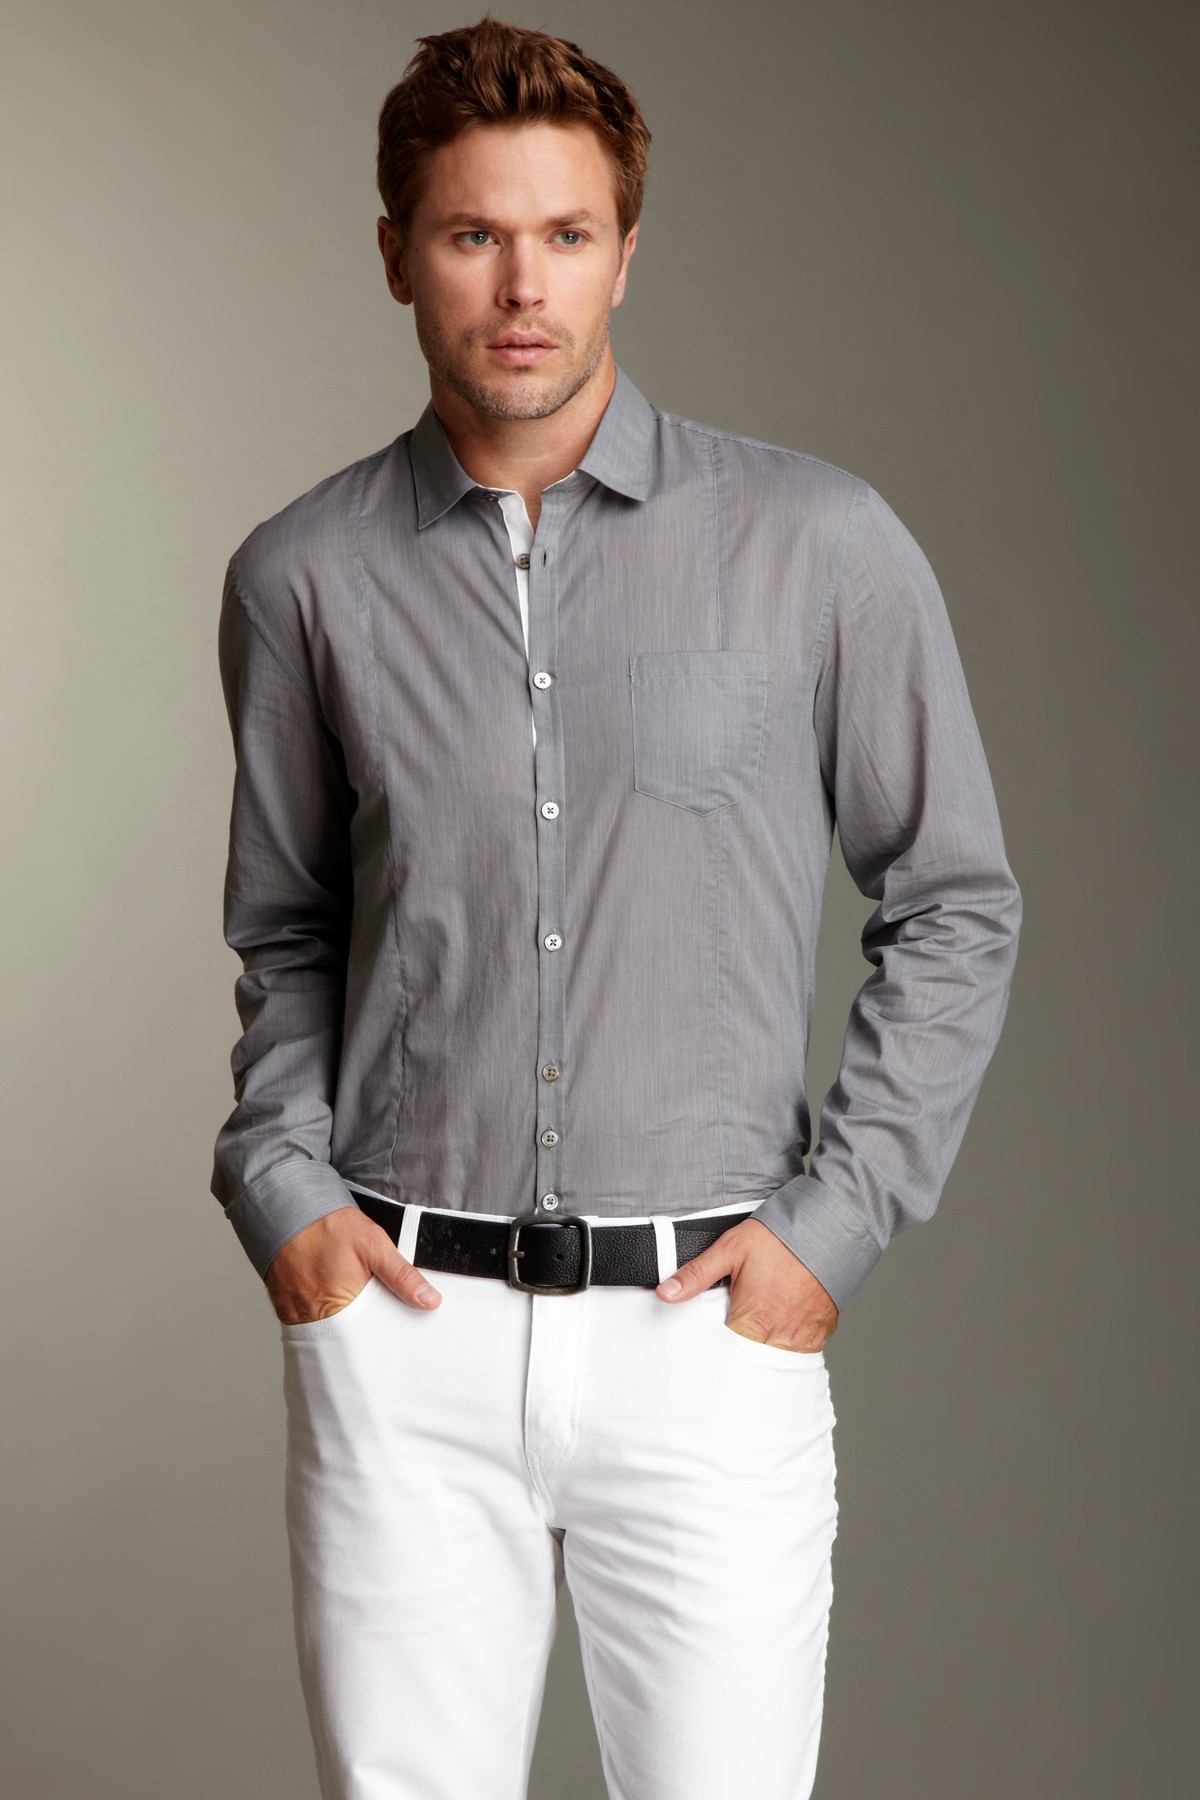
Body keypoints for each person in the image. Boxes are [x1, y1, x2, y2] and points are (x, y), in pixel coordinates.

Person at [210, 17, 1022, 1800]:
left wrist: (832, 1229)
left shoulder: (819, 545)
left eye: (566, 234)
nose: (524, 286)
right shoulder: (301, 577)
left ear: (627, 252)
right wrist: (283, 1194)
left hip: (707, 1337)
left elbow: (954, 899)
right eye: (473, 234)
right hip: (402, 1337)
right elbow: (289, 929)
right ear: (396, 254)